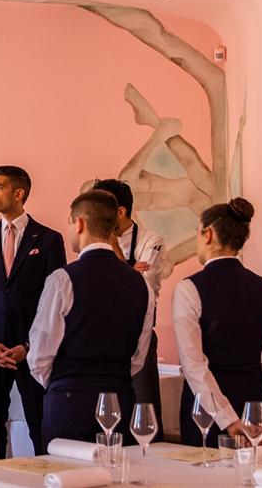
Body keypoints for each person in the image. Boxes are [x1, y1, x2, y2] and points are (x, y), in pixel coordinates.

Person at [28, 190, 154, 444]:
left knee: (64, 469)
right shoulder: (142, 285)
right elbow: (138, 356)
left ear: (80, 223)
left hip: (69, 402)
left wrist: (64, 384)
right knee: (117, 468)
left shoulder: (62, 280)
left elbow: (39, 356)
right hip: (120, 400)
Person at [0, 166, 65, 457]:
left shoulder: (49, 239)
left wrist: (29, 346)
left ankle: (48, 475)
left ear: (18, 193)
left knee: (42, 425)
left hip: (33, 351)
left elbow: (55, 300)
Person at [173, 198, 262, 448]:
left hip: (205, 412)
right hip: (254, 407)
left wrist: (226, 418)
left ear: (207, 234)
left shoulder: (189, 289)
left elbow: (194, 365)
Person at [92, 178, 166, 440]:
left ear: (120, 212)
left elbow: (143, 288)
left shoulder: (151, 240)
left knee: (144, 407)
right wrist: (129, 270)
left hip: (139, 336)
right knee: (107, 411)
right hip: (103, 337)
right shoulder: (93, 244)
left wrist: (114, 250)